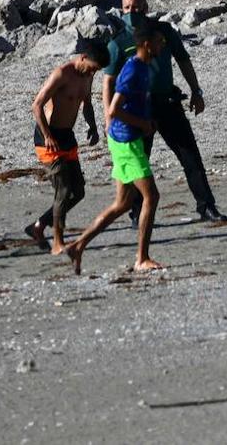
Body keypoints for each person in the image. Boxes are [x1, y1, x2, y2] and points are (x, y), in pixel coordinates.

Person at [103, 0, 227, 223]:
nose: (132, 12)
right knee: (140, 163)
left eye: (136, 7)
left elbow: (183, 60)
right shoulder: (118, 42)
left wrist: (196, 91)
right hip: (138, 111)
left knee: (190, 156)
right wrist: (108, 119)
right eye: (127, 8)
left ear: (146, 7)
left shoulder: (164, 32)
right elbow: (108, 82)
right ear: (121, 10)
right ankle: (137, 213)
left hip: (168, 104)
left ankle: (207, 207)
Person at [65, 25, 166, 274]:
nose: (162, 45)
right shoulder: (132, 69)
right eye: (159, 40)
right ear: (146, 44)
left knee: (122, 203)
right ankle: (141, 258)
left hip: (124, 139)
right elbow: (113, 110)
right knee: (151, 197)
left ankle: (78, 245)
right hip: (126, 141)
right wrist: (142, 124)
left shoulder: (143, 67)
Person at [23, 39, 107, 255]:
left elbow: (86, 104)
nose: (94, 73)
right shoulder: (62, 74)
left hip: (67, 137)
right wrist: (47, 135)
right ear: (82, 58)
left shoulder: (87, 77)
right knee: (64, 190)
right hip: (47, 138)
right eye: (93, 68)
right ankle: (57, 242)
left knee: (78, 191)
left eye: (97, 71)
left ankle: (39, 226)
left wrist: (93, 127)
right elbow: (37, 105)